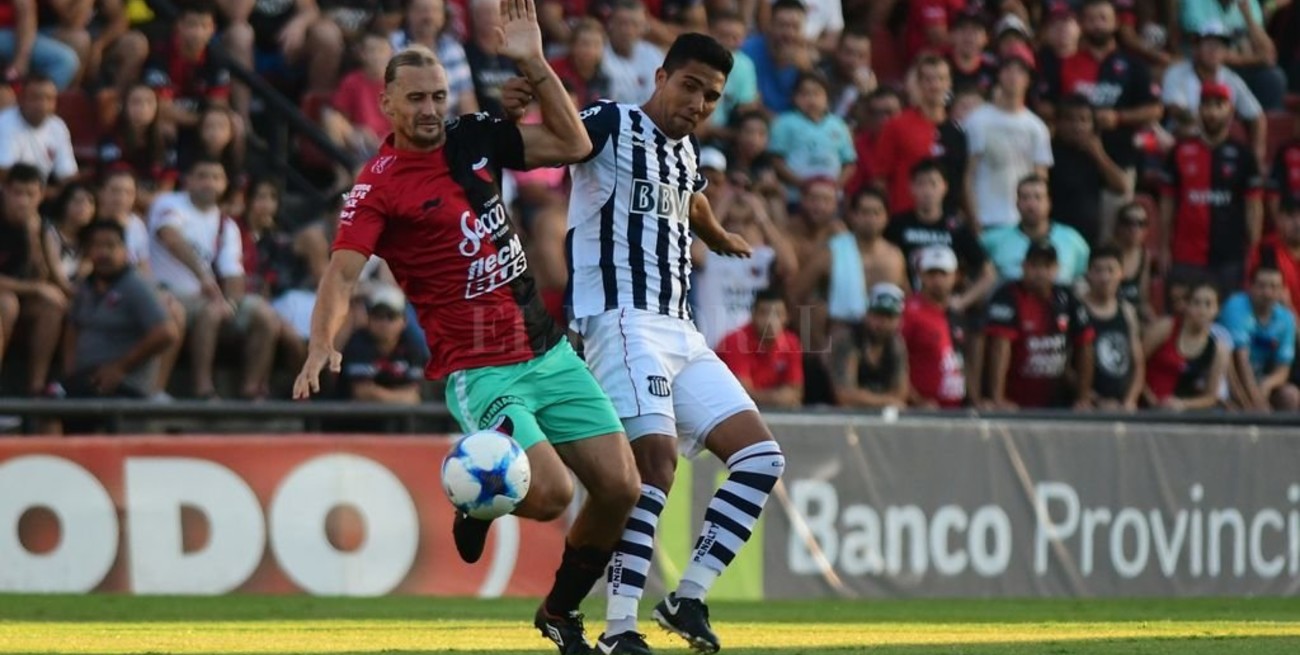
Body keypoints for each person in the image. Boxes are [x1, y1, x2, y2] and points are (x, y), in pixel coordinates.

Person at [291, 9, 640, 655]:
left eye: (438, 96)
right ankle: (476, 497)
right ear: (387, 103)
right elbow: (341, 274)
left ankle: (560, 612)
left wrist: (534, 63)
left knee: (622, 489)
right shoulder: (377, 187)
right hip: (480, 367)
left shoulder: (473, 137)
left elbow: (573, 146)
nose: (430, 109)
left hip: (548, 349)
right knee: (552, 494)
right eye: (415, 99)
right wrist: (321, 343)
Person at [541, 32, 783, 655]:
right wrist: (532, 71)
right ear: (660, 77)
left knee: (761, 459)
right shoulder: (610, 122)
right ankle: (619, 628)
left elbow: (691, 200)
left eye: (712, 96)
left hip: (681, 328)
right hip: (620, 319)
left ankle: (687, 597)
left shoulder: (685, 152)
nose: (699, 103)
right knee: (654, 466)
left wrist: (717, 233)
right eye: (690, 86)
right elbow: (560, 138)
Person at [149, 158, 280, 400]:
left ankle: (252, 390)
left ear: (225, 184)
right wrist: (204, 277)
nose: (209, 183)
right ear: (188, 180)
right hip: (167, 291)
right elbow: (170, 237)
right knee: (210, 312)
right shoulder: (169, 203)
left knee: (265, 315)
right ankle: (203, 390)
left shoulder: (226, 224)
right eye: (202, 176)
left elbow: (233, 273)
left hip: (204, 297)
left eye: (216, 177)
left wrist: (230, 302)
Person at [61, 220, 178, 419]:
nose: (104, 253)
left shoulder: (136, 286)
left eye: (111, 245)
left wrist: (120, 367)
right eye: (97, 246)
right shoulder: (86, 286)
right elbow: (73, 326)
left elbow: (166, 332)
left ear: (124, 250)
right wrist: (70, 371)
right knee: (47, 403)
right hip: (85, 380)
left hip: (123, 385)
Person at [1159, 82, 1263, 293]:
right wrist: (1163, 247)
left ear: (1230, 111)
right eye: (1207, 105)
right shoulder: (1179, 151)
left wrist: (1253, 251)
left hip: (1230, 257)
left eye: (1219, 105)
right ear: (1199, 110)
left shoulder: (1244, 156)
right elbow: (1167, 203)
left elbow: (1253, 207)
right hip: (1186, 255)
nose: (1213, 112)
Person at [984, 240, 1096, 409]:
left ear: (1056, 268)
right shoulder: (1007, 296)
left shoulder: (1067, 297)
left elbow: (1085, 343)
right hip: (1015, 403)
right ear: (1024, 266)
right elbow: (999, 348)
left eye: (1047, 266)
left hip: (1058, 401)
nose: (1040, 272)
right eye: (1034, 266)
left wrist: (1083, 397)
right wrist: (997, 399)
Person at [0, 164, 66, 398]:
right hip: (7, 297)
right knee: (6, 304)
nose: (23, 201)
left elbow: (51, 277)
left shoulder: (43, 226)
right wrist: (36, 288)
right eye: (17, 193)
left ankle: (36, 387)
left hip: (23, 295)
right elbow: (38, 286)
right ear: (5, 191)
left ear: (41, 196)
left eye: (31, 194)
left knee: (52, 306)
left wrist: (34, 240)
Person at [1217, 264, 1300, 411]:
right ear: (1250, 287)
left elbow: (1283, 369)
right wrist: (1258, 405)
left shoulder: (1286, 318)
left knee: (1291, 395)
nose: (1267, 292)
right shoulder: (1236, 306)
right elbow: (1241, 361)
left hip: (1260, 378)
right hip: (1230, 378)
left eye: (1274, 287)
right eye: (1261, 286)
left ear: (1282, 291)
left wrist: (1267, 384)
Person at [1143, 280, 1227, 411]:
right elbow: (1135, 363)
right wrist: (1150, 399)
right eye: (1196, 303)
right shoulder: (1166, 327)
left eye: (1208, 304)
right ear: (1186, 305)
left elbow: (1211, 397)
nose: (1202, 310)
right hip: (1144, 405)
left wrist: (1183, 404)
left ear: (1217, 310)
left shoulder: (1218, 349)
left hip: (1181, 412)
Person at [715, 288, 804, 408]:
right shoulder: (736, 341)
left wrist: (764, 397)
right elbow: (742, 395)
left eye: (778, 314)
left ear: (787, 317)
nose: (771, 321)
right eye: (764, 313)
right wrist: (777, 398)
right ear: (753, 315)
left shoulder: (792, 342)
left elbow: (796, 392)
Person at [900, 246, 966, 408]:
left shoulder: (957, 314)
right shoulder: (908, 311)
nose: (937, 280)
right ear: (921, 275)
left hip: (957, 409)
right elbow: (892, 360)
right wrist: (916, 400)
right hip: (922, 410)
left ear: (956, 276)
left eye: (943, 273)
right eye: (931, 273)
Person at [1081, 245, 1144, 409]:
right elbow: (1066, 367)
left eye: (1111, 270)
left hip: (1122, 406)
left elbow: (1138, 364)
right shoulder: (1077, 310)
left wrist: (1130, 400)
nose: (1105, 277)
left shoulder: (1127, 311)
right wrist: (1094, 399)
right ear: (1088, 273)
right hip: (1086, 406)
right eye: (1098, 270)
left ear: (1121, 273)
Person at [829, 282, 910, 408]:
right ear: (867, 314)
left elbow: (900, 394)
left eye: (889, 317)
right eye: (878, 315)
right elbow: (845, 395)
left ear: (900, 320)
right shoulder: (849, 339)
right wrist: (885, 401)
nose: (883, 323)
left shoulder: (896, 344)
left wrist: (877, 400)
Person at [0, 73, 77, 188]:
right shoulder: (5, 123)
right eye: (36, 98)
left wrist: (62, 190)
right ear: (21, 99)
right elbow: (4, 173)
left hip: (40, 192)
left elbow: (67, 174)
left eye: (49, 99)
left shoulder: (58, 126)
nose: (43, 105)